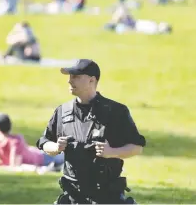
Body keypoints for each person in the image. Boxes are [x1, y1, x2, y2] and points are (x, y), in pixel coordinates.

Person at [36, 59, 146, 204]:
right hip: (72, 196)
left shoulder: (115, 111)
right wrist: (56, 147)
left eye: (76, 77)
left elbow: (137, 147)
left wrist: (111, 152)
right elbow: (44, 142)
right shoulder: (62, 112)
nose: (70, 81)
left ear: (91, 80)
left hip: (107, 196)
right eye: (70, 77)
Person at [0, 114, 64, 169]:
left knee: (66, 156)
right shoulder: (15, 140)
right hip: (39, 156)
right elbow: (14, 165)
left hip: (43, 157)